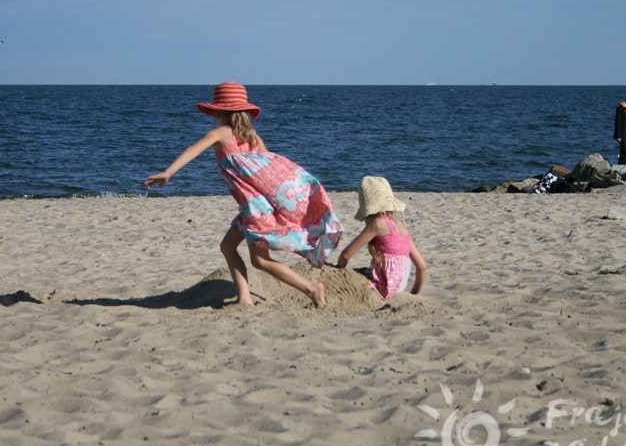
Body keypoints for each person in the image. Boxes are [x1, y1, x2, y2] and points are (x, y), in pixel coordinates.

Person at [145, 82, 343, 307]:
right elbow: (272, 173)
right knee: (228, 247)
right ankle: (245, 298)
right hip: (256, 206)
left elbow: (193, 150)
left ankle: (311, 289)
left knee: (260, 261)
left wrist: (168, 172)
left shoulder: (221, 133)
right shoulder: (254, 138)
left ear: (219, 111)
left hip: (255, 210)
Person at [336, 176, 428, 300]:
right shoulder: (401, 226)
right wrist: (414, 294)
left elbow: (346, 255)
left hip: (383, 286)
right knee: (363, 271)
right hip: (399, 287)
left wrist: (339, 270)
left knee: (349, 278)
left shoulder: (377, 224)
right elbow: (422, 267)